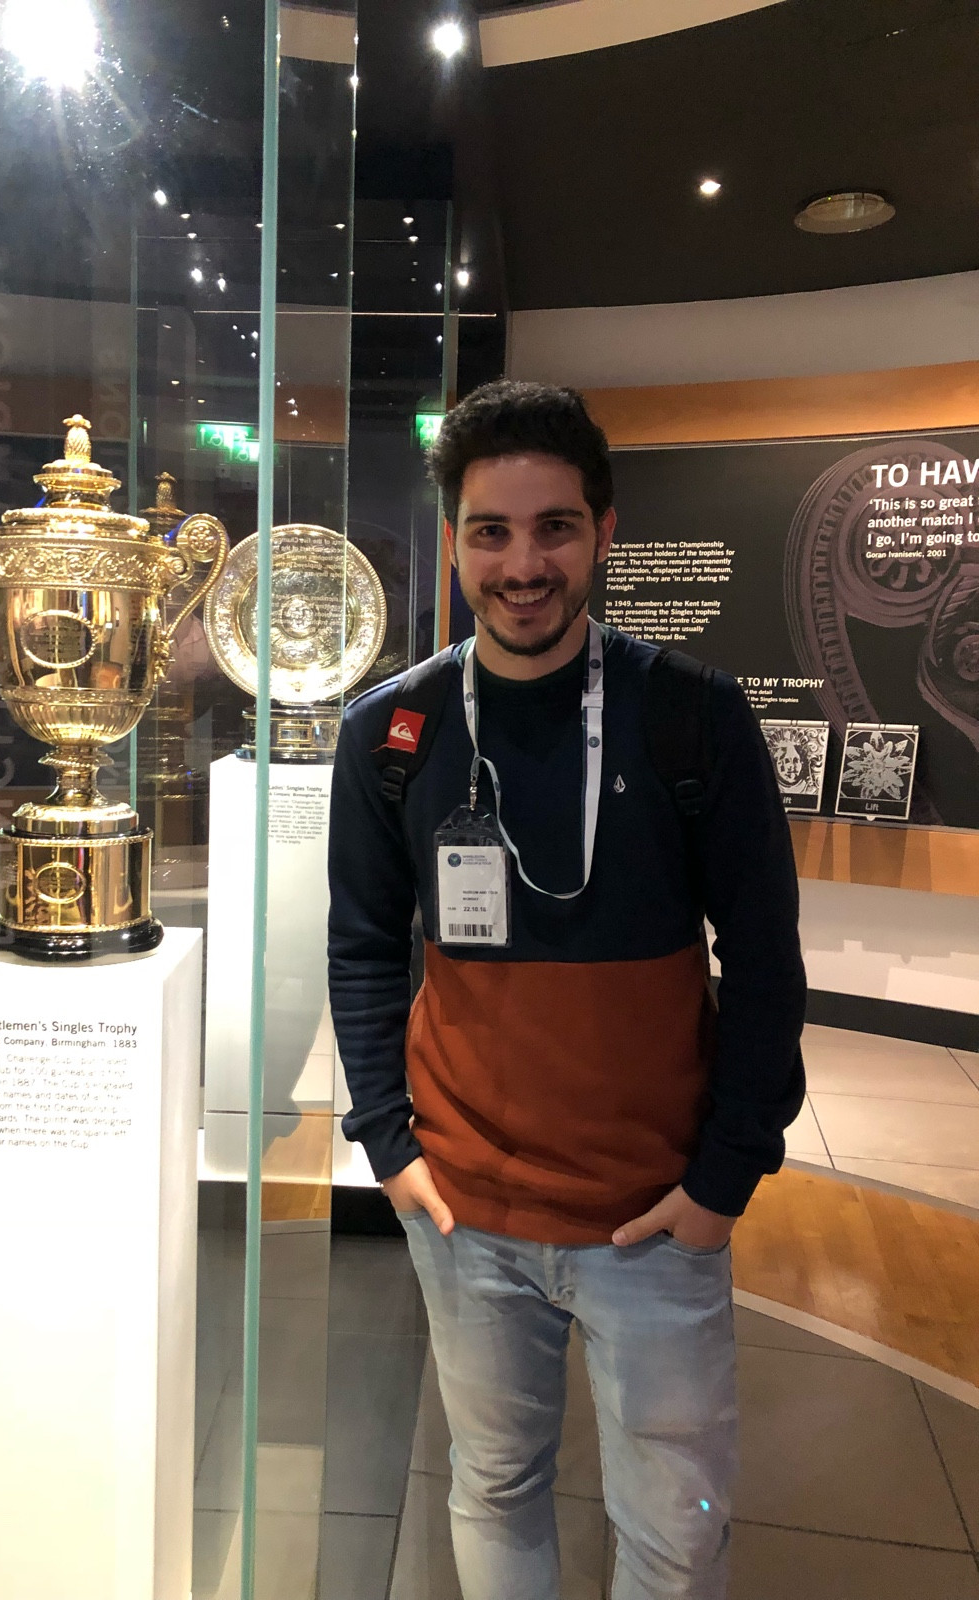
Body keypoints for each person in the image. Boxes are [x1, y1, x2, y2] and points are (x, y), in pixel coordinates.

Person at [326, 381, 806, 1600]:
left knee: (677, 1532)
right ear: (453, 541)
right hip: (465, 1212)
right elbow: (366, 944)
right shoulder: (393, 733)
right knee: (493, 1484)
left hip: (655, 1214)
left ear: (604, 531)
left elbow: (764, 957)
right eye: (491, 531)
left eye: (555, 528)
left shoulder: (692, 716)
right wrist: (388, 1142)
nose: (523, 565)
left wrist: (724, 1179)